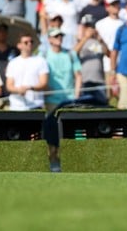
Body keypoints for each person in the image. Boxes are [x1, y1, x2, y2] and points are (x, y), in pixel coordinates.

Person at [42, 27, 82, 171]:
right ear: (50, 40)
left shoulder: (70, 54)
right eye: (56, 36)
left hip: (70, 100)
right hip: (52, 100)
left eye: (60, 35)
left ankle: (73, 160)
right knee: (52, 132)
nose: (59, 38)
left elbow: (78, 75)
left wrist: (76, 97)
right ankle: (53, 160)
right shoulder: (44, 55)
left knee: (71, 131)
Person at [4, 34, 49, 111]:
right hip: (16, 106)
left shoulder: (41, 61)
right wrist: (18, 90)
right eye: (26, 42)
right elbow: (9, 85)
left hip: (36, 105)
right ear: (19, 45)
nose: (29, 44)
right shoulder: (13, 63)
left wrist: (30, 88)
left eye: (31, 42)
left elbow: (44, 83)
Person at [74, 14, 110, 106]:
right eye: (87, 26)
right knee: (85, 106)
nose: (90, 29)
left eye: (91, 26)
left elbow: (109, 54)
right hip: (86, 81)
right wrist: (85, 38)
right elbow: (74, 53)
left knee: (101, 106)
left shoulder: (98, 41)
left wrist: (101, 40)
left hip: (99, 80)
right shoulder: (80, 41)